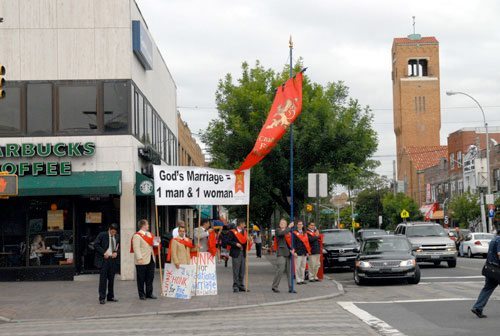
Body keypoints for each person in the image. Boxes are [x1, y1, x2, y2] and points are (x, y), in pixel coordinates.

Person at [471, 228, 500, 318]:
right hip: (497, 269)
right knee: (488, 288)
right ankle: (478, 307)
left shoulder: (494, 239)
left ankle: (478, 307)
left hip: (490, 268)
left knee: (487, 288)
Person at [131, 219, 159, 300]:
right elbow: (136, 248)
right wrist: (139, 258)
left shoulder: (149, 234)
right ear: (143, 225)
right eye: (147, 224)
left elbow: (155, 244)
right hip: (142, 260)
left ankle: (149, 293)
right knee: (141, 278)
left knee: (150, 277)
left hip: (151, 258)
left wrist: (157, 242)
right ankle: (141, 294)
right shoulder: (137, 235)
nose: (148, 226)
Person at [94, 223, 120, 304]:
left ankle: (110, 296)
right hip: (104, 260)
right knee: (103, 280)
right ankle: (102, 297)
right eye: (112, 232)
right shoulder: (102, 235)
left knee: (111, 279)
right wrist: (104, 253)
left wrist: (116, 252)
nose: (113, 233)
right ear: (109, 229)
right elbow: (96, 244)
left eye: (115, 232)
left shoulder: (117, 236)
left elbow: (118, 246)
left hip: (112, 260)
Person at [227, 219, 251, 292]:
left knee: (242, 270)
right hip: (236, 252)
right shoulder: (232, 232)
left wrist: (249, 240)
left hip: (243, 253)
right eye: (244, 224)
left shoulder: (245, 232)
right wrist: (235, 244)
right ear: (240, 224)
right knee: (236, 270)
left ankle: (241, 285)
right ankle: (235, 286)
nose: (245, 226)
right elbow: (228, 241)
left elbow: (245, 243)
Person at [272, 219, 296, 293]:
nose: (282, 224)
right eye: (281, 222)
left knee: (289, 272)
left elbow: (291, 242)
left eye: (284, 223)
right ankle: (274, 286)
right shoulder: (278, 230)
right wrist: (289, 227)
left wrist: (293, 250)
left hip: (288, 253)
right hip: (281, 253)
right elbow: (281, 234)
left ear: (286, 225)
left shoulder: (289, 232)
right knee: (280, 270)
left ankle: (290, 287)